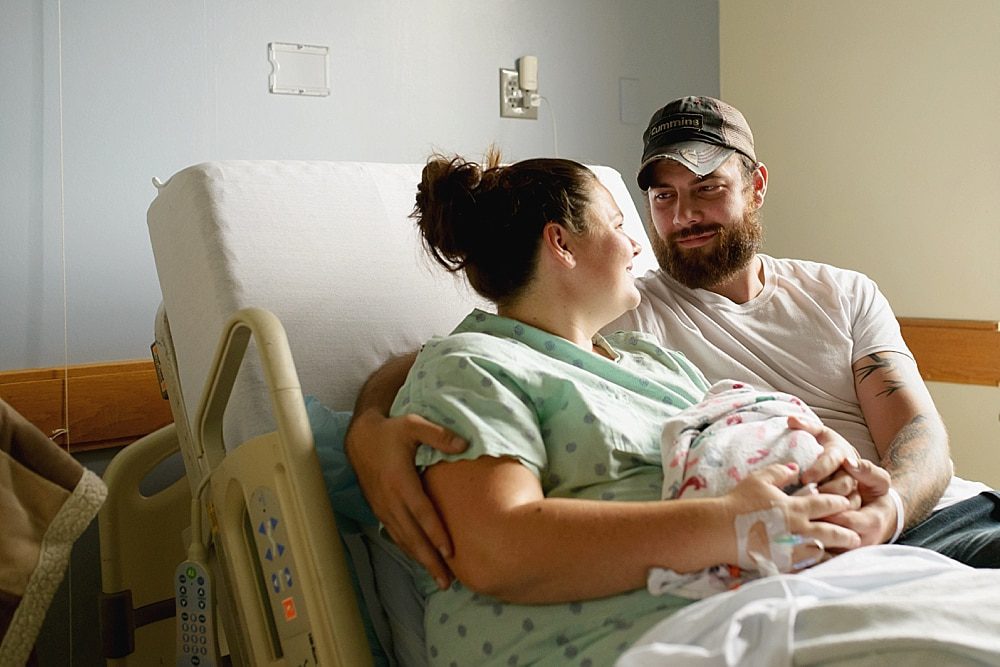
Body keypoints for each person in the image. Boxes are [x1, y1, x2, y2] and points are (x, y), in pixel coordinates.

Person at [345, 96, 1000, 590]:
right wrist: (368, 433)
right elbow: (457, 356)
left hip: (929, 520)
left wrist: (886, 509)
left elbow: (918, 432)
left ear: (757, 185)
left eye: (707, 188)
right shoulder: (624, 309)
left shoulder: (844, 293)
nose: (682, 215)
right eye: (664, 195)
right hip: (810, 551)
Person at [389, 150, 865, 665]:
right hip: (639, 640)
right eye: (618, 224)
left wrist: (821, 458)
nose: (638, 245)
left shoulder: (652, 362)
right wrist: (727, 525)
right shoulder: (474, 367)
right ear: (561, 243)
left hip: (775, 595)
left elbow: (732, 439)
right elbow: (497, 549)